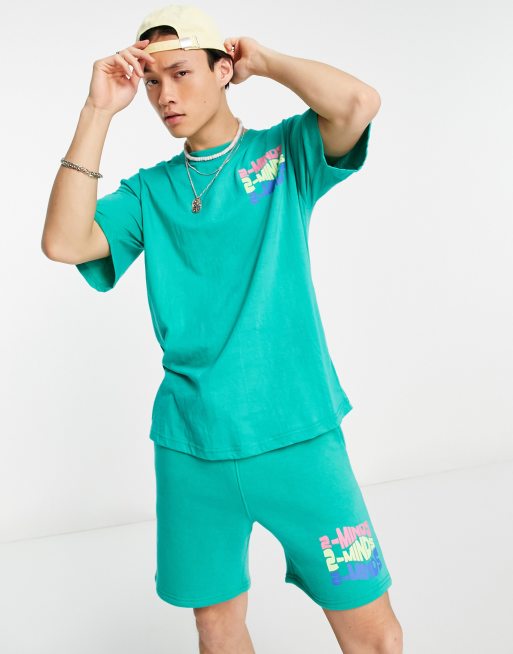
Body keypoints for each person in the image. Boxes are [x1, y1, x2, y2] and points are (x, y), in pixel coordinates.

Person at [41, 4, 403, 652]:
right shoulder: (150, 193)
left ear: (222, 69)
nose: (165, 96)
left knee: (372, 635)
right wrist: (97, 110)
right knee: (216, 626)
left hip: (297, 436)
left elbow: (359, 103)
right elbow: (65, 242)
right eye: (153, 81)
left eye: (181, 73)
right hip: (191, 447)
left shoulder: (284, 154)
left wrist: (266, 61)